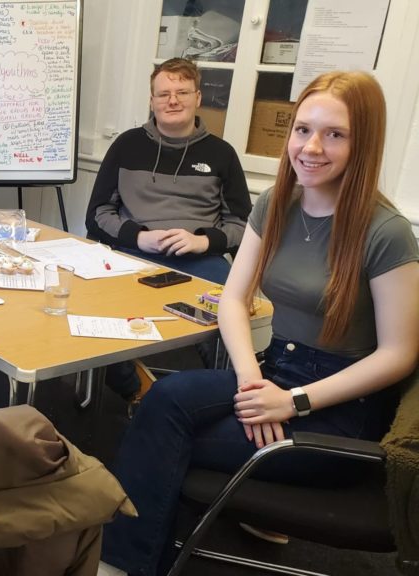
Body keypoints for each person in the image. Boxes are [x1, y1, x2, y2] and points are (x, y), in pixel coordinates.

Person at [99, 71, 419, 576]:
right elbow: (233, 299)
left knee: (163, 438)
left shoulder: (388, 233)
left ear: (365, 143)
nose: (311, 147)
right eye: (302, 129)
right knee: (162, 400)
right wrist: (253, 381)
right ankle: (133, 557)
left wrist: (293, 402)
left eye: (335, 134)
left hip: (339, 408)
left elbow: (399, 354)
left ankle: (129, 565)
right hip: (275, 371)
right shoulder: (276, 204)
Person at [85, 57, 251, 286]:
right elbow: (98, 214)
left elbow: (241, 226)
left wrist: (201, 242)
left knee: (222, 313)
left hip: (201, 261)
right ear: (152, 101)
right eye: (163, 95)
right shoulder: (127, 146)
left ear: (198, 98)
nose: (173, 101)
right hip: (132, 255)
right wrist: (139, 238)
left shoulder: (222, 154)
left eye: (182, 93)